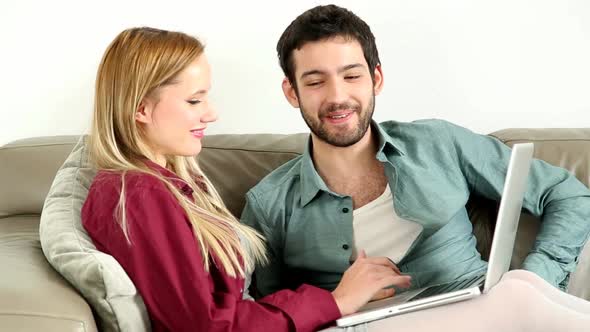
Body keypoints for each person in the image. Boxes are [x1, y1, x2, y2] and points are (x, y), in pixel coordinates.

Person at [241, 4, 590, 330]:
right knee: (519, 294)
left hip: (485, 309)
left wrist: (539, 276)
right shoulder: (269, 203)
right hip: (366, 324)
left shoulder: (438, 143)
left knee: (518, 290)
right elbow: (262, 311)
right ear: (292, 92)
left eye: (351, 76)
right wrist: (334, 301)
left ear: (375, 79)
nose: (336, 96)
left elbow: (568, 194)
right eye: (315, 82)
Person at [81, 26, 414, 332]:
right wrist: (336, 301)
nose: (211, 113)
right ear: (141, 109)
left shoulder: (166, 183)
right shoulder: (139, 194)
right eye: (194, 100)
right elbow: (207, 326)